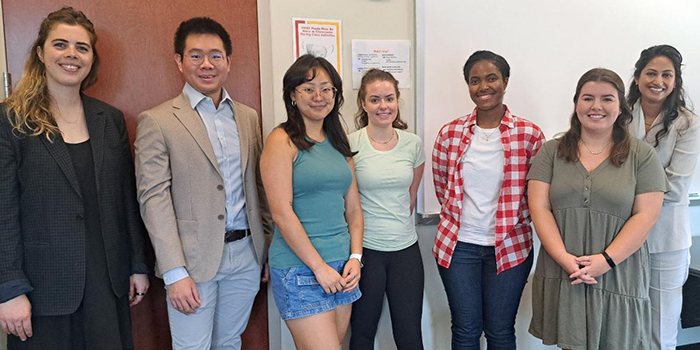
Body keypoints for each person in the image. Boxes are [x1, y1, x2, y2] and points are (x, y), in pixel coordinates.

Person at [0, 7, 149, 350]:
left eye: (82, 47)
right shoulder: (11, 120)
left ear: (92, 58)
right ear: (40, 53)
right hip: (41, 290)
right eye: (60, 44)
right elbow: (3, 213)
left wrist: (137, 264)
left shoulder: (109, 120)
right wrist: (9, 289)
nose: (71, 55)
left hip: (107, 282)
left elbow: (125, 199)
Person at [134, 17, 272, 350]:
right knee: (192, 347)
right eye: (195, 56)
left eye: (215, 55)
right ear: (179, 62)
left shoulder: (248, 116)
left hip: (247, 255)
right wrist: (174, 272)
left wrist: (266, 247)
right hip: (192, 262)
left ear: (228, 62)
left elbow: (258, 186)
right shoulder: (158, 120)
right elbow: (153, 199)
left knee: (229, 341)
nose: (206, 64)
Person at [528, 68, 668, 350]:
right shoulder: (550, 152)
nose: (596, 107)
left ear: (620, 107)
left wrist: (606, 260)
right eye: (587, 98)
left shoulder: (642, 156)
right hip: (565, 268)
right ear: (576, 103)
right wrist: (566, 259)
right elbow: (539, 208)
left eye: (607, 99)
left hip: (619, 269)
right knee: (571, 342)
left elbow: (646, 215)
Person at [432, 50, 544, 349]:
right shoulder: (449, 134)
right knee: (466, 330)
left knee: (500, 331)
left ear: (505, 82)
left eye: (491, 78)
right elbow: (443, 188)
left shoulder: (529, 135)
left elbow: (538, 194)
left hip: (509, 246)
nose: (483, 87)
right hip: (459, 248)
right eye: (475, 80)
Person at [261, 54, 363, 350]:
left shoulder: (339, 141)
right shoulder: (281, 140)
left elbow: (354, 210)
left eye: (326, 88)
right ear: (292, 94)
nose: (318, 96)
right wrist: (319, 268)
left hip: (342, 267)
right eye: (308, 88)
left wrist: (355, 258)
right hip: (301, 269)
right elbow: (281, 212)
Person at [627, 44, 700, 350]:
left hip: (665, 241)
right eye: (651, 73)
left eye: (666, 75)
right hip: (621, 238)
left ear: (675, 81)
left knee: (660, 332)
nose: (658, 80)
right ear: (637, 77)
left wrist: (619, 194)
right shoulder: (618, 115)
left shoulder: (688, 123)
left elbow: (676, 187)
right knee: (626, 325)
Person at [348, 69, 425, 350]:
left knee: (409, 336)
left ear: (397, 101)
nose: (383, 106)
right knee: (362, 333)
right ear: (364, 104)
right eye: (375, 99)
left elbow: (411, 196)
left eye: (389, 98)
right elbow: (349, 204)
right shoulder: (351, 144)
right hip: (366, 252)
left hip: (406, 251)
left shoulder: (413, 144)